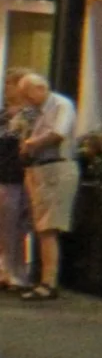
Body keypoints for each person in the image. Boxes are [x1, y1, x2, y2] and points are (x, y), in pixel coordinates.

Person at [15, 72, 80, 301]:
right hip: (39, 169)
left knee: (48, 227)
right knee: (41, 227)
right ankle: (42, 277)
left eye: (28, 94)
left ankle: (48, 282)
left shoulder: (61, 105)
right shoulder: (35, 111)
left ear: (40, 88)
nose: (26, 100)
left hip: (56, 168)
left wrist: (31, 144)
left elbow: (58, 134)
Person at [0, 85, 27, 291]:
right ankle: (5, 270)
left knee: (15, 226)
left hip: (16, 176)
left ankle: (17, 273)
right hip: (3, 175)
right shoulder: (3, 116)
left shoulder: (29, 115)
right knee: (4, 226)